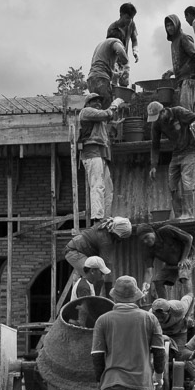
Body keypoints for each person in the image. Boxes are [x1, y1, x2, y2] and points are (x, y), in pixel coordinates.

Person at [147, 102, 195, 222]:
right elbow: (155, 145)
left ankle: (188, 214)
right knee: (172, 183)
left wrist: (194, 124)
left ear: (163, 112)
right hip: (177, 152)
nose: (157, 120)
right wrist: (153, 166)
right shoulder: (156, 124)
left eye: (158, 117)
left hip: (190, 149)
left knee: (187, 181)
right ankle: (179, 216)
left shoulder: (178, 111)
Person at [77, 91, 125, 221]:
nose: (98, 103)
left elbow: (103, 128)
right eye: (94, 101)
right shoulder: (86, 112)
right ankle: (97, 218)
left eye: (99, 101)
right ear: (87, 104)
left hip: (101, 154)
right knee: (97, 185)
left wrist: (114, 125)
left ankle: (106, 218)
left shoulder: (97, 119)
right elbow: (106, 114)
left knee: (108, 189)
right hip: (91, 153)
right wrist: (115, 104)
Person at [135, 222, 194, 298]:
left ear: (153, 232)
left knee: (183, 275)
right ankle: (163, 306)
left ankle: (190, 304)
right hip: (171, 264)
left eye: (146, 237)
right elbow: (148, 271)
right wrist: (145, 287)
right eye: (143, 240)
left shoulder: (167, 231)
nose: (146, 241)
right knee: (158, 281)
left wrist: (184, 259)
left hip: (188, 255)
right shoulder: (148, 249)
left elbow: (189, 238)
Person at [64, 217, 133, 274]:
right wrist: (108, 287)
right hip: (74, 252)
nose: (120, 240)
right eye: (120, 238)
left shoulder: (107, 222)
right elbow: (105, 264)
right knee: (92, 275)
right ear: (116, 234)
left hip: (80, 248)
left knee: (94, 276)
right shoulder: (105, 241)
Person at [88, 34, 129, 106]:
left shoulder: (100, 46)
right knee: (106, 107)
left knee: (95, 107)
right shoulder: (115, 42)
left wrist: (116, 74)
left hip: (91, 79)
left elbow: (100, 67)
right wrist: (125, 61)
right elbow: (120, 51)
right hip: (101, 80)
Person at [106, 2, 139, 86]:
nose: (130, 20)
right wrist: (113, 67)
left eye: (132, 18)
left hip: (125, 61)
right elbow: (109, 49)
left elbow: (134, 39)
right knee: (114, 87)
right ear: (121, 15)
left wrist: (135, 51)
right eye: (127, 18)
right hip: (114, 62)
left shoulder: (131, 24)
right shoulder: (112, 28)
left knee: (124, 85)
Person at [163, 13, 195, 83]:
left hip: (188, 80)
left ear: (176, 25)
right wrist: (171, 71)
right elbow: (182, 64)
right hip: (180, 80)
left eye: (172, 25)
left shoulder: (183, 38)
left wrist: (193, 77)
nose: (169, 28)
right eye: (167, 26)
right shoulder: (173, 43)